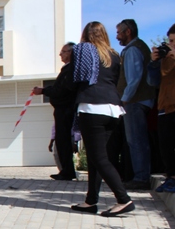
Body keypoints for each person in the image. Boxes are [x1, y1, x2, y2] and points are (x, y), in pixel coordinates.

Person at [70, 21, 134, 217]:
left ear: (85, 34)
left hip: (92, 107)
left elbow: (77, 78)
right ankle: (91, 201)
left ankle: (123, 199)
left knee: (99, 158)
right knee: (97, 158)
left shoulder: (83, 50)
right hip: (113, 109)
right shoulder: (113, 55)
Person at [116, 19, 157, 189]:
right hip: (138, 101)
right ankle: (139, 176)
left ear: (128, 32)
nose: (117, 36)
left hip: (135, 101)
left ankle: (141, 178)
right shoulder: (138, 47)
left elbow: (134, 78)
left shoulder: (133, 50)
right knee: (137, 140)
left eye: (119, 32)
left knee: (136, 141)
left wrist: (125, 99)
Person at [34, 42, 78, 180]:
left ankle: (67, 171)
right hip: (62, 110)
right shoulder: (67, 70)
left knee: (64, 141)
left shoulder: (71, 70)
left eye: (63, 52)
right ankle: (65, 170)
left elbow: (61, 90)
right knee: (61, 140)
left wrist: (44, 91)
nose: (60, 54)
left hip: (66, 110)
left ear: (70, 53)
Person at [148, 24, 175, 192]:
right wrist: (153, 62)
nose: (171, 45)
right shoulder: (165, 59)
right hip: (165, 106)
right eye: (170, 41)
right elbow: (153, 82)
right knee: (166, 146)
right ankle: (171, 178)